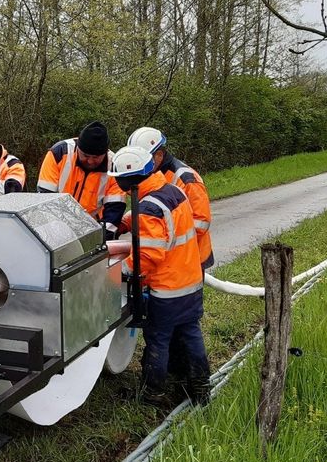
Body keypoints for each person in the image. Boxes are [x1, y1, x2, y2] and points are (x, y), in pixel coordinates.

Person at [109, 144, 211, 406]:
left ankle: (153, 392)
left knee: (158, 340)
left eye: (118, 179)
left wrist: (119, 271)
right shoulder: (171, 189)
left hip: (167, 290)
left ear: (128, 179)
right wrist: (125, 222)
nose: (117, 184)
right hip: (190, 281)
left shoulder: (149, 208)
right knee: (191, 333)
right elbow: (161, 220)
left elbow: (148, 255)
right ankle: (200, 385)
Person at [127, 126, 214, 269]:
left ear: (159, 155)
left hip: (189, 258)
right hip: (166, 258)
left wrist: (162, 242)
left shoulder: (186, 179)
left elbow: (201, 223)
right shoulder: (149, 175)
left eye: (144, 159)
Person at [36, 120, 125, 237]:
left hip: (94, 228)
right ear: (78, 148)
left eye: (96, 157)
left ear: (105, 153)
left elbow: (114, 211)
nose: (90, 161)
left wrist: (102, 238)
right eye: (86, 155)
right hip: (57, 226)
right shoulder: (59, 153)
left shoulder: (114, 167)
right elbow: (44, 198)